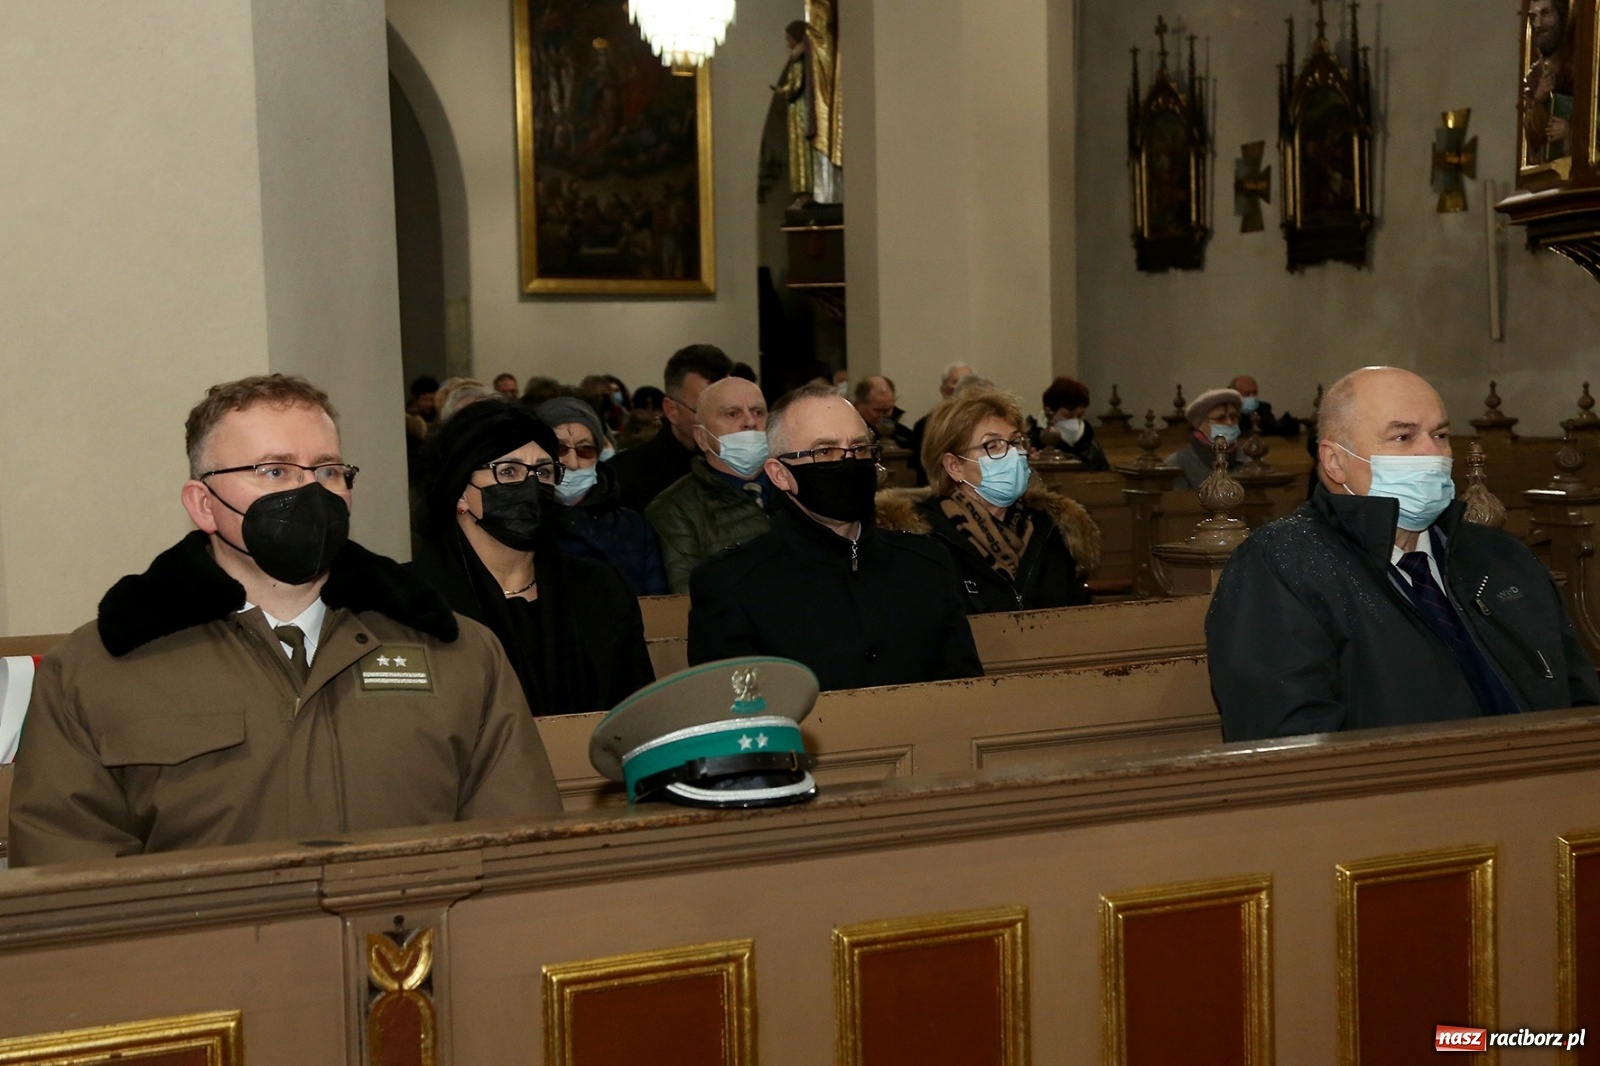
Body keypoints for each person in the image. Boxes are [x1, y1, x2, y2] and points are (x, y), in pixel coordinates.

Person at [7, 375, 561, 866]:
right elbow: (70, 874)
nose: (309, 492)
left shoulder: (459, 653)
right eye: (273, 470)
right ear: (203, 504)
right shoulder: (95, 671)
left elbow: (517, 854)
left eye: (327, 470)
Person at [1207, 366, 1600, 741]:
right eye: (1403, 437)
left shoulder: (1500, 557)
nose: (1434, 454)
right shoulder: (1281, 566)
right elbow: (1291, 744)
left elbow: (1579, 699)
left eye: (1441, 435)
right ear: (1335, 461)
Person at [688, 385, 984, 691]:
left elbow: (965, 695)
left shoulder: (927, 565)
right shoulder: (731, 584)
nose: (849, 463)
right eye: (825, 451)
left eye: (859, 449)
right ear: (779, 474)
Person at [413, 401, 654, 716]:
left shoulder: (600, 589)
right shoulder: (415, 602)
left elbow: (639, 713)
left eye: (542, 471)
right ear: (460, 488)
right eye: (509, 471)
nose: (530, 485)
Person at [879, 388, 1099, 614]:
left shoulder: (1051, 528)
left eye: (1015, 442)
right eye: (992, 446)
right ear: (954, 466)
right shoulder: (924, 539)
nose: (1013, 454)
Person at [646, 377, 774, 593]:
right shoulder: (673, 509)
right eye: (732, 414)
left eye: (758, 412)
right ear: (702, 437)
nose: (750, 422)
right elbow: (688, 597)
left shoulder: (797, 488)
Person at [536, 396, 668, 596]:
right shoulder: (522, 524)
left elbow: (655, 600)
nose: (572, 463)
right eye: (558, 449)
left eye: (585, 450)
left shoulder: (633, 527)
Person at [609, 344, 732, 511]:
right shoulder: (625, 477)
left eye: (730, 411)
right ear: (671, 410)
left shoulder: (748, 467)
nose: (720, 421)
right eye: (705, 410)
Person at [1523, 0, 1574, 165]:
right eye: (1533, 16)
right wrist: (1539, 99)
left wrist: (1571, 130)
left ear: (1562, 16)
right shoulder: (1535, 75)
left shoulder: (1583, 65)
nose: (1538, 24)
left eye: (1546, 13)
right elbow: (1531, 143)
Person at [909, 363, 975, 486]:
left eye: (967, 381)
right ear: (943, 389)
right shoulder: (926, 425)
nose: (962, 387)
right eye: (956, 381)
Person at [1166, 387, 1243, 489]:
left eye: (1233, 417)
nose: (1229, 422)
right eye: (1220, 418)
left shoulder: (1249, 458)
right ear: (1201, 425)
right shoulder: (1178, 463)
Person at [1035, 377, 1110, 471]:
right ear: (1049, 411)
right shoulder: (1034, 442)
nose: (1074, 421)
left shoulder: (1090, 442)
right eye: (1068, 416)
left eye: (1080, 416)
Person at [852, 375, 914, 449]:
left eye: (888, 410)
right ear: (859, 405)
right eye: (878, 410)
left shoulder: (905, 436)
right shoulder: (849, 434)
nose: (883, 415)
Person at [1230, 375, 1301, 438]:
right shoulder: (1228, 411)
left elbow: (1273, 428)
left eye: (1255, 392)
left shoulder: (1263, 408)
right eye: (1247, 394)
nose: (1252, 397)